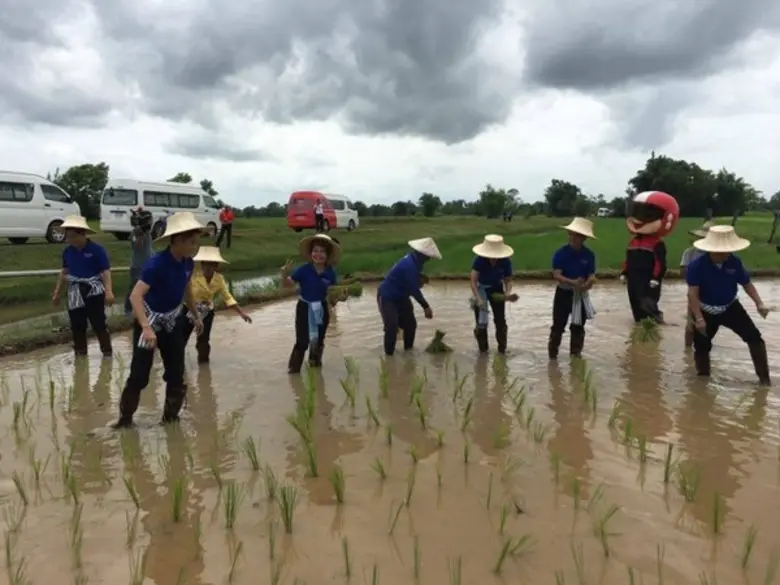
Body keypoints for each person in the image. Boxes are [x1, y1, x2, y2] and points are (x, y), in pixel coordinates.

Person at [113, 212, 208, 428]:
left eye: (196, 242)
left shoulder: (187, 263)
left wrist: (194, 315)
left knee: (176, 373)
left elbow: (186, 290)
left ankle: (170, 420)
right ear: (178, 240)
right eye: (192, 242)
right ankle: (125, 420)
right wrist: (146, 328)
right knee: (140, 374)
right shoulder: (156, 264)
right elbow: (135, 296)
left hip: (173, 321)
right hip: (149, 322)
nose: (195, 246)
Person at [686, 225, 770, 385]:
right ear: (710, 250)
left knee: (755, 338)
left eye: (727, 251)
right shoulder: (697, 266)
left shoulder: (734, 262)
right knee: (702, 346)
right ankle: (703, 383)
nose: (724, 254)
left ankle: (764, 381)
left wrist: (759, 303)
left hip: (730, 307)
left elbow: (747, 284)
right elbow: (692, 294)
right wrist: (698, 318)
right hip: (705, 309)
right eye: (720, 251)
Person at [52, 215, 115, 358]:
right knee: (77, 325)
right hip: (75, 290)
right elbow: (64, 272)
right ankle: (80, 354)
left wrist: (109, 291)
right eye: (68, 237)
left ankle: (107, 353)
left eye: (74, 236)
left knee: (98, 323)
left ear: (83, 234)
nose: (71, 240)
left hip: (93, 290)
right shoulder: (68, 252)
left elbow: (105, 271)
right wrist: (57, 293)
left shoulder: (97, 250)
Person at [282, 234, 341, 373]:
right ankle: (294, 371)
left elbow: (331, 299)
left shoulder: (330, 273)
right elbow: (288, 285)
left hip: (321, 308)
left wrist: (339, 298)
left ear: (328, 255)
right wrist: (284, 275)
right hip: (304, 308)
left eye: (322, 251)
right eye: (315, 250)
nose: (318, 254)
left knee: (318, 342)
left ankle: (315, 371)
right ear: (310, 253)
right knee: (302, 342)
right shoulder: (304, 270)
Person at [183, 246, 252, 363]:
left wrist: (242, 313)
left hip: (206, 312)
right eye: (205, 264)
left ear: (216, 266)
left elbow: (227, 297)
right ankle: (178, 366)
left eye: (211, 264)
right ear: (201, 264)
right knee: (181, 338)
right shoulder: (192, 276)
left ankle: (204, 367)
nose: (208, 267)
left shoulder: (219, 279)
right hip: (189, 309)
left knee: (204, 340)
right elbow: (183, 292)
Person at [621, 191, 680, 323]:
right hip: (634, 278)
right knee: (635, 302)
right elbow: (628, 260)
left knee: (647, 304)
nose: (637, 219)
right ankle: (640, 328)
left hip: (648, 280)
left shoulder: (657, 244)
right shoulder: (634, 242)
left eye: (646, 214)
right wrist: (625, 272)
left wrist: (655, 278)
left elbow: (660, 264)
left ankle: (655, 324)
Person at [377, 238, 441, 356]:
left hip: (402, 297)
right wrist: (426, 306)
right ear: (421, 254)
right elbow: (414, 290)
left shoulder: (415, 262)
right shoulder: (409, 265)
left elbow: (410, 282)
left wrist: (420, 278)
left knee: (410, 325)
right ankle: (389, 359)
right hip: (388, 296)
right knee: (392, 327)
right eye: (428, 256)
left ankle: (408, 353)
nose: (429, 259)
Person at [548, 218, 597, 359]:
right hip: (563, 293)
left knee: (578, 327)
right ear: (569, 235)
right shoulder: (561, 253)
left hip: (580, 295)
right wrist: (572, 282)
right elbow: (557, 275)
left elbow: (591, 275)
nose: (575, 238)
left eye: (579, 236)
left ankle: (575, 357)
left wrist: (588, 284)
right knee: (558, 326)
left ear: (584, 238)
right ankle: (552, 358)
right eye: (573, 234)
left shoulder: (589, 255)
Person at [470, 234, 514, 354]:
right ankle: (483, 352)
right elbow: (473, 281)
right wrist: (478, 299)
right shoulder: (479, 260)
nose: (493, 258)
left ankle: (502, 351)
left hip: (497, 289)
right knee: (481, 323)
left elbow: (508, 280)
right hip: (481, 289)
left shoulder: (505, 261)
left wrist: (507, 293)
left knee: (500, 321)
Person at [680, 221, 713, 347]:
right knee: (690, 322)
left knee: (708, 323)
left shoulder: (717, 254)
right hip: (694, 291)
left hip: (711, 293)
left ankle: (703, 347)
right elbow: (683, 271)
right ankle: (688, 349)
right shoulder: (690, 252)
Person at [125, 207, 154, 316]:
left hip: (148, 264)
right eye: (150, 220)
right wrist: (140, 234)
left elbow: (148, 247)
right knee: (133, 288)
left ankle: (143, 308)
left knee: (146, 289)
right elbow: (137, 246)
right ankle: (128, 309)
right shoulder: (135, 233)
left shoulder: (148, 233)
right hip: (137, 266)